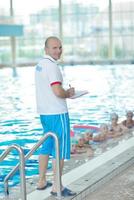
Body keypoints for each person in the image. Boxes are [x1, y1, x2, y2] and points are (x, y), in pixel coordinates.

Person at [35, 36, 76, 197]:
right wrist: (69, 93)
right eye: (54, 48)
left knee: (47, 146)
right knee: (59, 148)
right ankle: (56, 187)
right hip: (57, 113)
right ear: (46, 49)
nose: (58, 51)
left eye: (60, 47)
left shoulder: (39, 65)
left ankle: (42, 180)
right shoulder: (52, 66)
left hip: (44, 113)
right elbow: (58, 92)